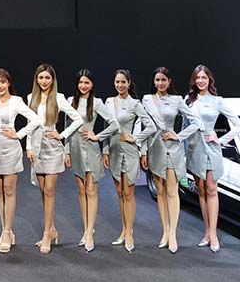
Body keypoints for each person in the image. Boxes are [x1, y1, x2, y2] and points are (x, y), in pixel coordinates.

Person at [182, 64, 240, 252]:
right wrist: (183, 153)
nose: (200, 81)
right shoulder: (188, 100)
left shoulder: (218, 101)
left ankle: (214, 234)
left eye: (204, 77)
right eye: (197, 78)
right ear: (194, 81)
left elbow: (239, 126)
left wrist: (220, 139)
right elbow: (184, 127)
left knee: (211, 189)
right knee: (200, 190)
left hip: (211, 149)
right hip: (194, 149)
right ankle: (207, 232)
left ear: (209, 80)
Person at [23, 63, 80, 254]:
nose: (44, 81)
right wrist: (28, 147)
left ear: (53, 80)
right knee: (42, 191)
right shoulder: (31, 98)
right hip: (37, 149)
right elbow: (30, 125)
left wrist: (61, 135)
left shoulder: (59, 98)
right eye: (41, 78)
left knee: (49, 190)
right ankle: (52, 229)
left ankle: (47, 234)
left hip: (53, 149)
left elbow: (77, 119)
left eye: (47, 78)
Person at [0, 68, 41, 254]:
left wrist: (19, 134)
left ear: (8, 83)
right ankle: (5, 231)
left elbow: (35, 120)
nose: (0, 86)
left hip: (10, 150)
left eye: (3, 82)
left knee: (9, 191)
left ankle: (7, 232)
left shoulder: (16, 101)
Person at [101, 68, 157, 252]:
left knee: (128, 193)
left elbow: (150, 126)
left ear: (129, 83)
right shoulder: (109, 102)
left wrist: (135, 138)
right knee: (119, 192)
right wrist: (105, 151)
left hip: (130, 152)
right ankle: (124, 230)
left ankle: (130, 233)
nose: (120, 85)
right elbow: (106, 127)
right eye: (117, 82)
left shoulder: (134, 103)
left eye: (123, 82)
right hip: (114, 151)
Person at [140, 66, 194, 253]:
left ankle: (173, 233)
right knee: (160, 192)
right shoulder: (147, 99)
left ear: (169, 81)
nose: (160, 83)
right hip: (155, 149)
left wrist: (178, 136)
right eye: (157, 80)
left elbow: (196, 122)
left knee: (172, 191)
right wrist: (143, 151)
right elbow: (143, 126)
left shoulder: (177, 100)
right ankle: (165, 230)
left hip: (172, 150)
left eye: (164, 79)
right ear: (154, 82)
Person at [65, 70, 105, 251]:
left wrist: (97, 136)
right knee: (81, 190)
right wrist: (66, 151)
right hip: (75, 149)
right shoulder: (70, 101)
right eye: (81, 82)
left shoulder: (97, 103)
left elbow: (113, 123)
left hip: (90, 148)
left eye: (87, 82)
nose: (83, 85)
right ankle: (86, 228)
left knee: (91, 189)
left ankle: (89, 233)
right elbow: (66, 127)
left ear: (92, 84)